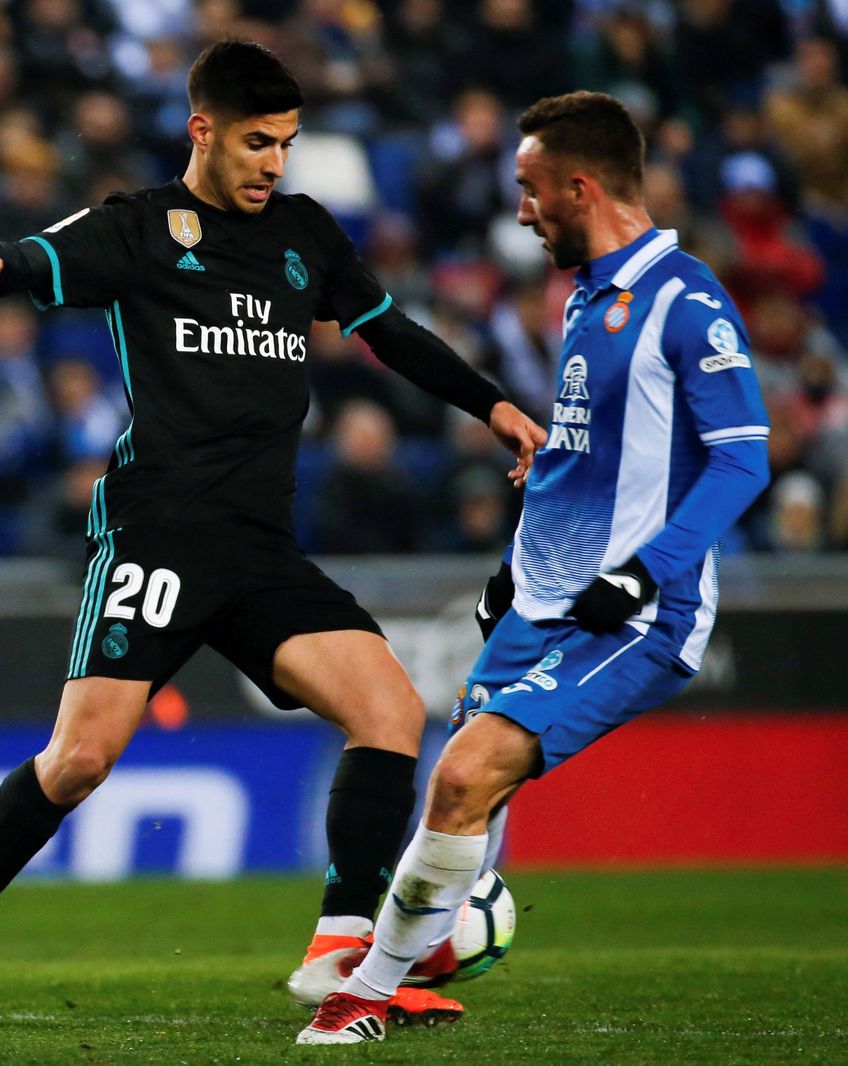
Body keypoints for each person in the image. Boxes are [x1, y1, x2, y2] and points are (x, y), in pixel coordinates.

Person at [0, 40, 545, 1033]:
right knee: (79, 760)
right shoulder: (140, 228)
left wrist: (494, 409)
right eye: (257, 143)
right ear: (202, 130)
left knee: (392, 710)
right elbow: (42, 257)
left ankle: (335, 948)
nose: (274, 163)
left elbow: (389, 331)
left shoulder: (305, 235)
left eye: (287, 144)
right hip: (157, 535)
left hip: (259, 547)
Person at [298, 91, 771, 1044]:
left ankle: (367, 995)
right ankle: (434, 940)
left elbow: (744, 456)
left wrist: (648, 572)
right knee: (466, 785)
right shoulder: (591, 296)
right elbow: (581, 456)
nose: (520, 210)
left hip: (638, 611)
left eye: (529, 189)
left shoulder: (686, 299)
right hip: (548, 596)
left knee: (467, 776)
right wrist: (515, 568)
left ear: (581, 188)